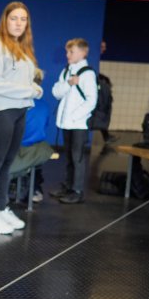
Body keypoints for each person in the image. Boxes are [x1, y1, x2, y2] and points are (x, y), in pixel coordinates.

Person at [0, 2, 43, 234]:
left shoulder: (22, 48)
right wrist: (29, 90)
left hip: (19, 110)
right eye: (14, 18)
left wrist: (34, 84)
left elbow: (22, 79)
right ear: (5, 20)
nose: (18, 23)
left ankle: (0, 208)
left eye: (23, 19)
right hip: (0, 110)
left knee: (7, 163)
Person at [50, 38, 98, 204]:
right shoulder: (66, 71)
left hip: (78, 125)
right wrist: (69, 83)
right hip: (67, 123)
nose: (67, 55)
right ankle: (68, 187)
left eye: (71, 52)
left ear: (83, 53)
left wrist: (74, 116)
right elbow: (56, 92)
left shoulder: (87, 74)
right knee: (69, 156)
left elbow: (91, 101)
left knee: (77, 158)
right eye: (67, 51)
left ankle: (77, 191)